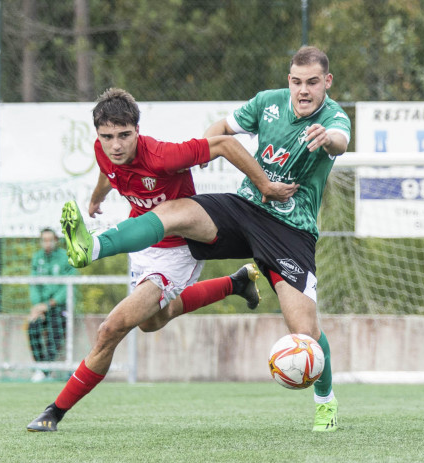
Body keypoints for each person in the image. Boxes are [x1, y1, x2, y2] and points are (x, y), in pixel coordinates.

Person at [50, 46, 350, 432]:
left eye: (312, 82)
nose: (303, 90)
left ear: (327, 82)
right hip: (246, 207)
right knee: (176, 211)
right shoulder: (268, 103)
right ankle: (95, 245)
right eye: (296, 81)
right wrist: (208, 148)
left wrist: (327, 139)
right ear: (288, 80)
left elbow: (341, 141)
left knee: (305, 335)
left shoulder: (334, 117)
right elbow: (222, 129)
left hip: (290, 230)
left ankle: (325, 402)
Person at [26, 88, 297, 431]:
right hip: (143, 245)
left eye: (124, 135)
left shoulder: (163, 156)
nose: (116, 145)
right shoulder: (104, 150)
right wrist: (96, 199)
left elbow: (226, 144)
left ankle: (55, 411)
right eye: (107, 136)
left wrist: (266, 186)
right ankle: (236, 282)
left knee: (111, 328)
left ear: (137, 131)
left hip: (178, 251)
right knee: (151, 321)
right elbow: (108, 171)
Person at [28, 227, 77, 382]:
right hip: (42, 307)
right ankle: (42, 368)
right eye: (44, 240)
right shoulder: (37, 258)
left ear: (56, 240)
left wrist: (49, 304)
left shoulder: (66, 257)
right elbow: (34, 284)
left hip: (59, 307)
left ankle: (45, 370)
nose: (47, 243)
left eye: (50, 240)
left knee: (55, 328)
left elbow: (68, 287)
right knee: (32, 326)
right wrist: (38, 306)